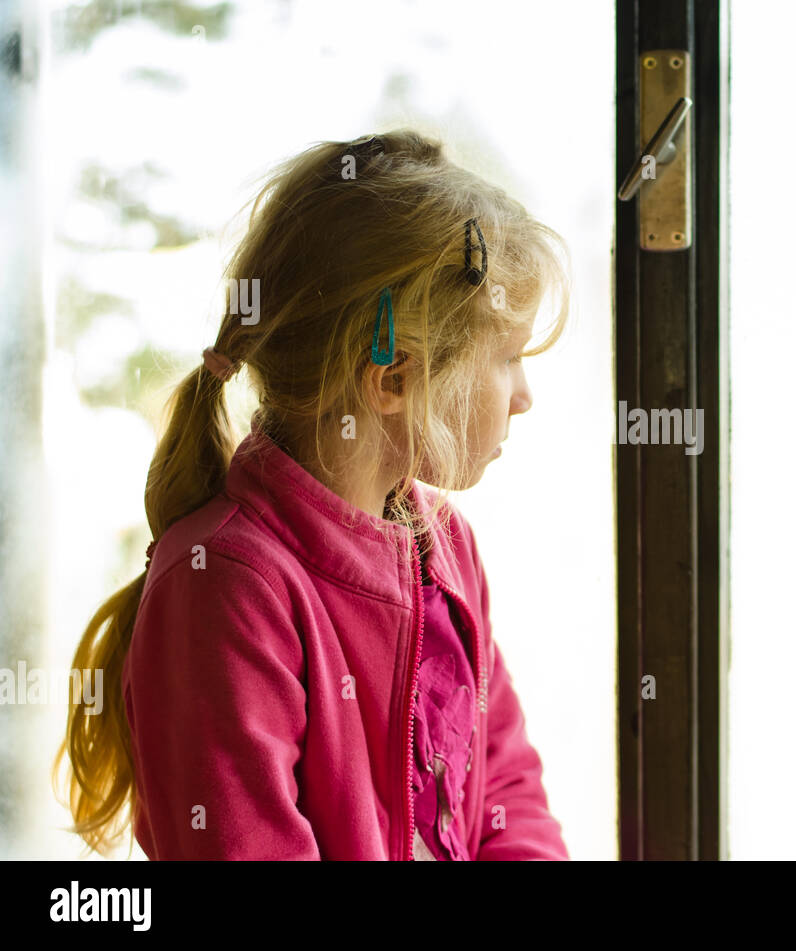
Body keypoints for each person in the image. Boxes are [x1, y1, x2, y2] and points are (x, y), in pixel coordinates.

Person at [53, 129, 572, 860]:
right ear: (391, 379)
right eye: (509, 358)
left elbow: (506, 780)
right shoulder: (226, 589)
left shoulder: (444, 546)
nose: (523, 397)